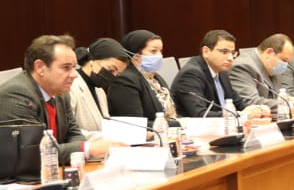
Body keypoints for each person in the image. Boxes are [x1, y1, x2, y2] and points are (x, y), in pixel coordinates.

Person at [0, 34, 115, 163]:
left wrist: (79, 149)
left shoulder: (61, 93)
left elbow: (74, 134)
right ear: (40, 67)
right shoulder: (17, 95)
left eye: (74, 67)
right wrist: (87, 148)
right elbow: (33, 154)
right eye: (66, 67)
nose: (74, 75)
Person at [229, 33, 294, 111]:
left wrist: (288, 99)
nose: (285, 65)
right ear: (269, 52)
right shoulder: (244, 66)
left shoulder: (272, 68)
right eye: (284, 60)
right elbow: (251, 101)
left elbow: (275, 97)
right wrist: (290, 105)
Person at [107, 29, 170, 125]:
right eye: (153, 51)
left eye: (160, 51)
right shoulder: (125, 80)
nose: (160, 55)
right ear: (135, 55)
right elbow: (135, 123)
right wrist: (178, 124)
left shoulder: (155, 77)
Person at [173, 29, 242, 117]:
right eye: (224, 52)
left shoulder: (221, 71)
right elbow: (200, 114)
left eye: (232, 53)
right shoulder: (191, 74)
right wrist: (239, 114)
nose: (230, 58)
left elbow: (238, 103)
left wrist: (253, 110)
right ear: (206, 52)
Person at [69, 38, 130, 133]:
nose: (113, 76)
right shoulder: (71, 86)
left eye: (117, 74)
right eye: (111, 70)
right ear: (92, 61)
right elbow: (69, 130)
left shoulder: (99, 91)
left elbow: (104, 126)